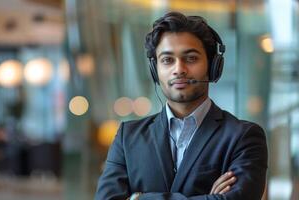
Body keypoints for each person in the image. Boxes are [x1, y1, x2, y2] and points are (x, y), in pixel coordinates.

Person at [95, 12, 268, 200]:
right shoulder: (127, 137)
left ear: (212, 66)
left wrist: (137, 198)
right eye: (167, 60)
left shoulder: (243, 137)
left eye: (191, 58)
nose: (178, 69)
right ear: (155, 70)